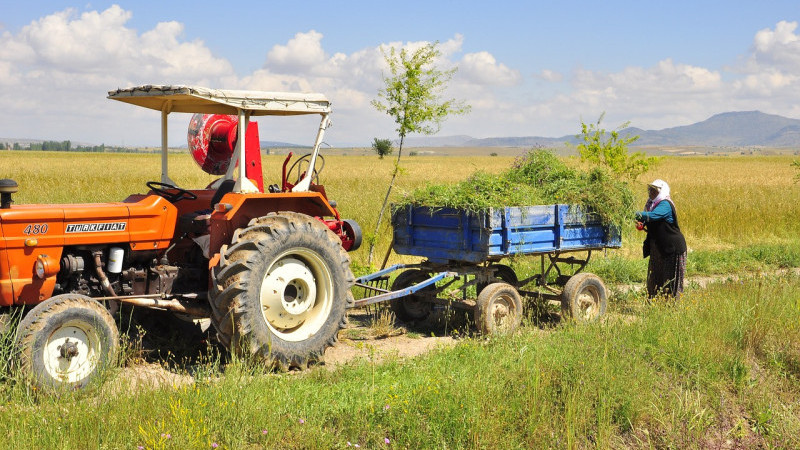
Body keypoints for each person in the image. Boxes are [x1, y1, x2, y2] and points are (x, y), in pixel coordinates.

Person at [635, 179, 687, 299]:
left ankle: (671, 310)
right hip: (658, 247)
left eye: (654, 190)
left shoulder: (665, 204)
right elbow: (645, 219)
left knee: (670, 281)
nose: (651, 192)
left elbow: (653, 216)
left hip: (672, 248)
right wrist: (641, 223)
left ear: (662, 191)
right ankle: (656, 305)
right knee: (655, 278)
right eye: (650, 189)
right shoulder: (650, 204)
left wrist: (634, 214)